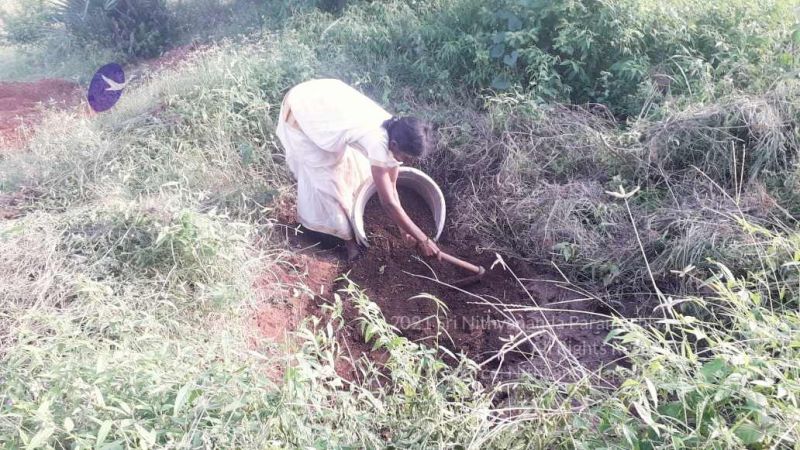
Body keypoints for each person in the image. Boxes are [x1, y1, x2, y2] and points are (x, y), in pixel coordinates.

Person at [275, 78, 441, 261]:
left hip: (325, 101)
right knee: (329, 183)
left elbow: (392, 187)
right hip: (304, 111)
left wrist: (404, 229)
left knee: (352, 167)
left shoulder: (397, 130)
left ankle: (350, 223)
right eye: (406, 157)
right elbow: (388, 203)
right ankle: (349, 244)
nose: (406, 161)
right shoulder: (378, 142)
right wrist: (423, 239)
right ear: (394, 144)